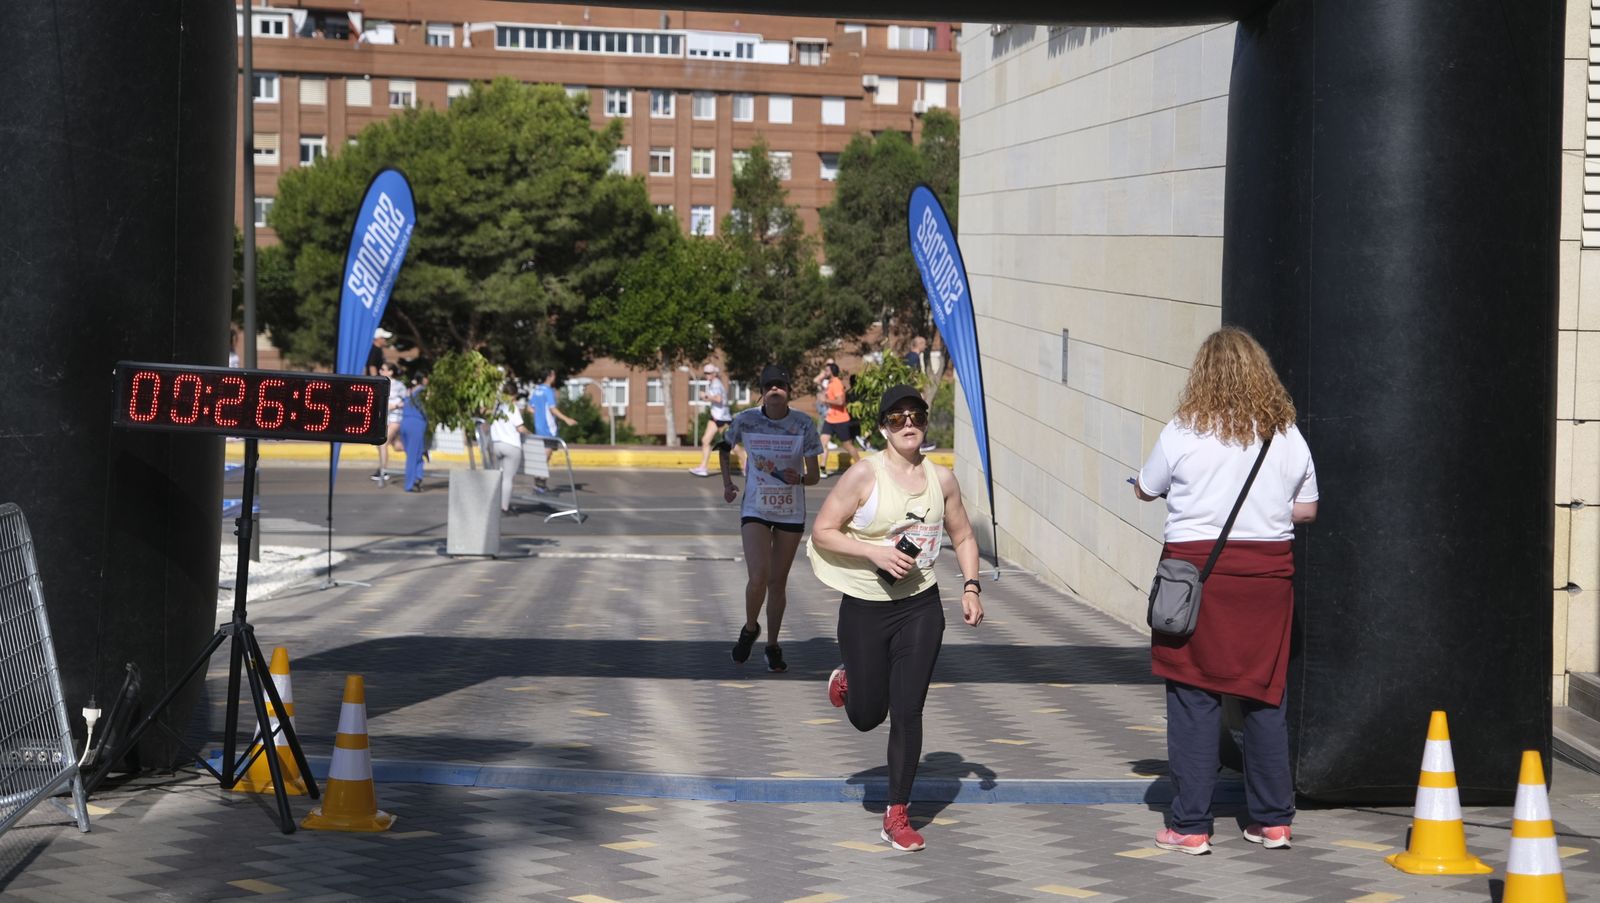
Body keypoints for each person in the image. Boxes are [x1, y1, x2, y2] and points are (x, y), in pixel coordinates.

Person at [1133, 327, 1318, 855]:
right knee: (1264, 696)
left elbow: (1148, 487)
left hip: (1198, 580)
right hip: (1267, 582)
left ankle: (1190, 825)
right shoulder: (1286, 435)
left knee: (1193, 696)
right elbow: (1307, 509)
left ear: (1202, 376)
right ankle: (1273, 820)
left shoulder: (1183, 430)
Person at [806, 384, 985, 853]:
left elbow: (964, 536)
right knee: (868, 716)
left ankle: (897, 812)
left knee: (908, 711)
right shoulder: (864, 476)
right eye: (899, 418)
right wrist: (875, 553)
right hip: (865, 608)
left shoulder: (941, 479)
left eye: (917, 416)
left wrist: (970, 586)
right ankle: (848, 679)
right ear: (884, 426)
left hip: (920, 606)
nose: (909, 424)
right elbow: (823, 531)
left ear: (925, 423)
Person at [719, 364, 822, 674]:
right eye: (770, 386)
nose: (775, 389)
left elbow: (815, 476)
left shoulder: (804, 424)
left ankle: (773, 644)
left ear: (788, 390)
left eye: (781, 384)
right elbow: (723, 447)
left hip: (791, 510)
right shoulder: (746, 420)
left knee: (778, 583)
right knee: (758, 577)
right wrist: (727, 483)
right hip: (756, 509)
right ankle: (750, 628)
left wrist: (800, 478)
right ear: (761, 392)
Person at [527, 370, 578, 492]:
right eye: (554, 374)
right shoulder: (548, 391)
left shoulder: (537, 390)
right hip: (548, 429)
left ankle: (539, 483)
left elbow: (529, 408)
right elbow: (552, 409)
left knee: (543, 456)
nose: (555, 377)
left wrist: (539, 415)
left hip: (538, 428)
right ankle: (540, 484)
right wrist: (566, 419)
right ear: (549, 377)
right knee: (546, 456)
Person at [487, 381, 530, 514]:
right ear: (514, 395)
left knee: (497, 476)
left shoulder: (497, 406)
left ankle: (493, 503)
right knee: (507, 478)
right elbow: (520, 427)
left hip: (496, 444)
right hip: (511, 445)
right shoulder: (512, 407)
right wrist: (531, 434)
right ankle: (504, 507)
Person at [820, 363, 862, 476]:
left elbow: (840, 402)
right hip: (830, 419)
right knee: (823, 442)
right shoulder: (830, 383)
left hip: (840, 420)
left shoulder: (837, 384)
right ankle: (822, 468)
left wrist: (826, 401)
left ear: (832, 372)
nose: (825, 372)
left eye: (827, 370)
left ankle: (861, 465)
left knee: (847, 445)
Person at [690, 363, 731, 477]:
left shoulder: (716, 384)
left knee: (732, 444)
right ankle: (703, 467)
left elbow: (718, 399)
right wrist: (706, 397)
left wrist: (705, 396)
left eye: (709, 373)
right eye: (706, 373)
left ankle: (745, 465)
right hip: (716, 417)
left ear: (714, 373)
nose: (707, 375)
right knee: (705, 440)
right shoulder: (714, 383)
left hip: (722, 418)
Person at [373, 361, 406, 484]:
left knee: (383, 443)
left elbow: (406, 401)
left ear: (390, 372)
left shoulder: (399, 386)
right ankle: (421, 450)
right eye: (380, 369)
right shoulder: (381, 384)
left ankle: (383, 471)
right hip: (385, 419)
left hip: (396, 419)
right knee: (397, 446)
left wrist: (395, 405)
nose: (380, 371)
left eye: (383, 369)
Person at [398, 376, 428, 492]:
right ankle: (410, 484)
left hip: (405, 423)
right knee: (414, 455)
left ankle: (418, 476)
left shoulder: (408, 392)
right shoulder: (423, 392)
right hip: (417, 423)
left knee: (416, 453)